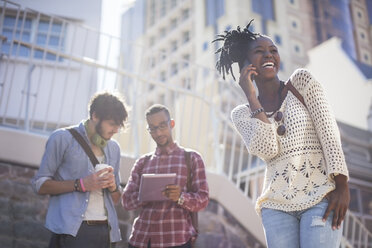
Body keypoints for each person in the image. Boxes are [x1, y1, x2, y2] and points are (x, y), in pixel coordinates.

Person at [213, 20, 350, 248]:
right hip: (276, 207)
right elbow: (269, 149)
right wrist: (251, 96)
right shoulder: (241, 114)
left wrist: (342, 185)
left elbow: (329, 133)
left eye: (273, 50)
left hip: (320, 195)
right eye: (259, 52)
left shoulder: (302, 82)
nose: (269, 55)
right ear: (246, 65)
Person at [31, 92, 128, 248]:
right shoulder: (62, 138)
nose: (116, 130)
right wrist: (81, 184)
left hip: (107, 231)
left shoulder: (114, 148)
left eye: (119, 125)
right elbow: (40, 185)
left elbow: (116, 199)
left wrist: (113, 187)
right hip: (74, 231)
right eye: (112, 123)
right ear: (95, 116)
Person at [122, 104, 209, 248]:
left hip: (175, 241)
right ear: (149, 130)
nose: (158, 132)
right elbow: (126, 202)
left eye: (162, 126)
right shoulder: (142, 162)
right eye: (153, 128)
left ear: (172, 124)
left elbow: (203, 199)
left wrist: (180, 197)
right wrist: (145, 195)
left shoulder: (192, 158)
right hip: (140, 240)